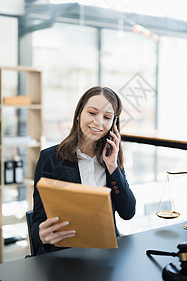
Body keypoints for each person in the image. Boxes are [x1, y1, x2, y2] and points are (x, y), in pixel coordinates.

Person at [31, 86, 136, 255]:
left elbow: (128, 212)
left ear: (113, 124)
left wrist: (112, 168)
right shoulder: (50, 159)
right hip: (66, 254)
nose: (99, 122)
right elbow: (38, 221)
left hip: (107, 254)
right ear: (79, 114)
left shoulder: (111, 159)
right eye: (92, 113)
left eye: (107, 117)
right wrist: (41, 235)